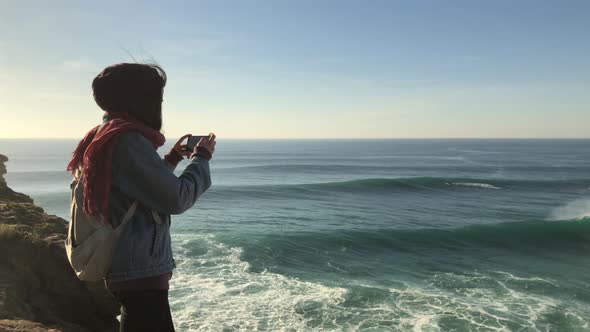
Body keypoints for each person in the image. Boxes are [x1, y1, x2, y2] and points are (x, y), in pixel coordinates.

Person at [66, 63, 215, 332]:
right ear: (139, 100)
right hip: (138, 269)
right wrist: (201, 159)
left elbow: (136, 188)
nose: (159, 105)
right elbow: (177, 198)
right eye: (156, 98)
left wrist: (170, 160)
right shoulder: (126, 140)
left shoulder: (104, 135)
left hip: (126, 266)